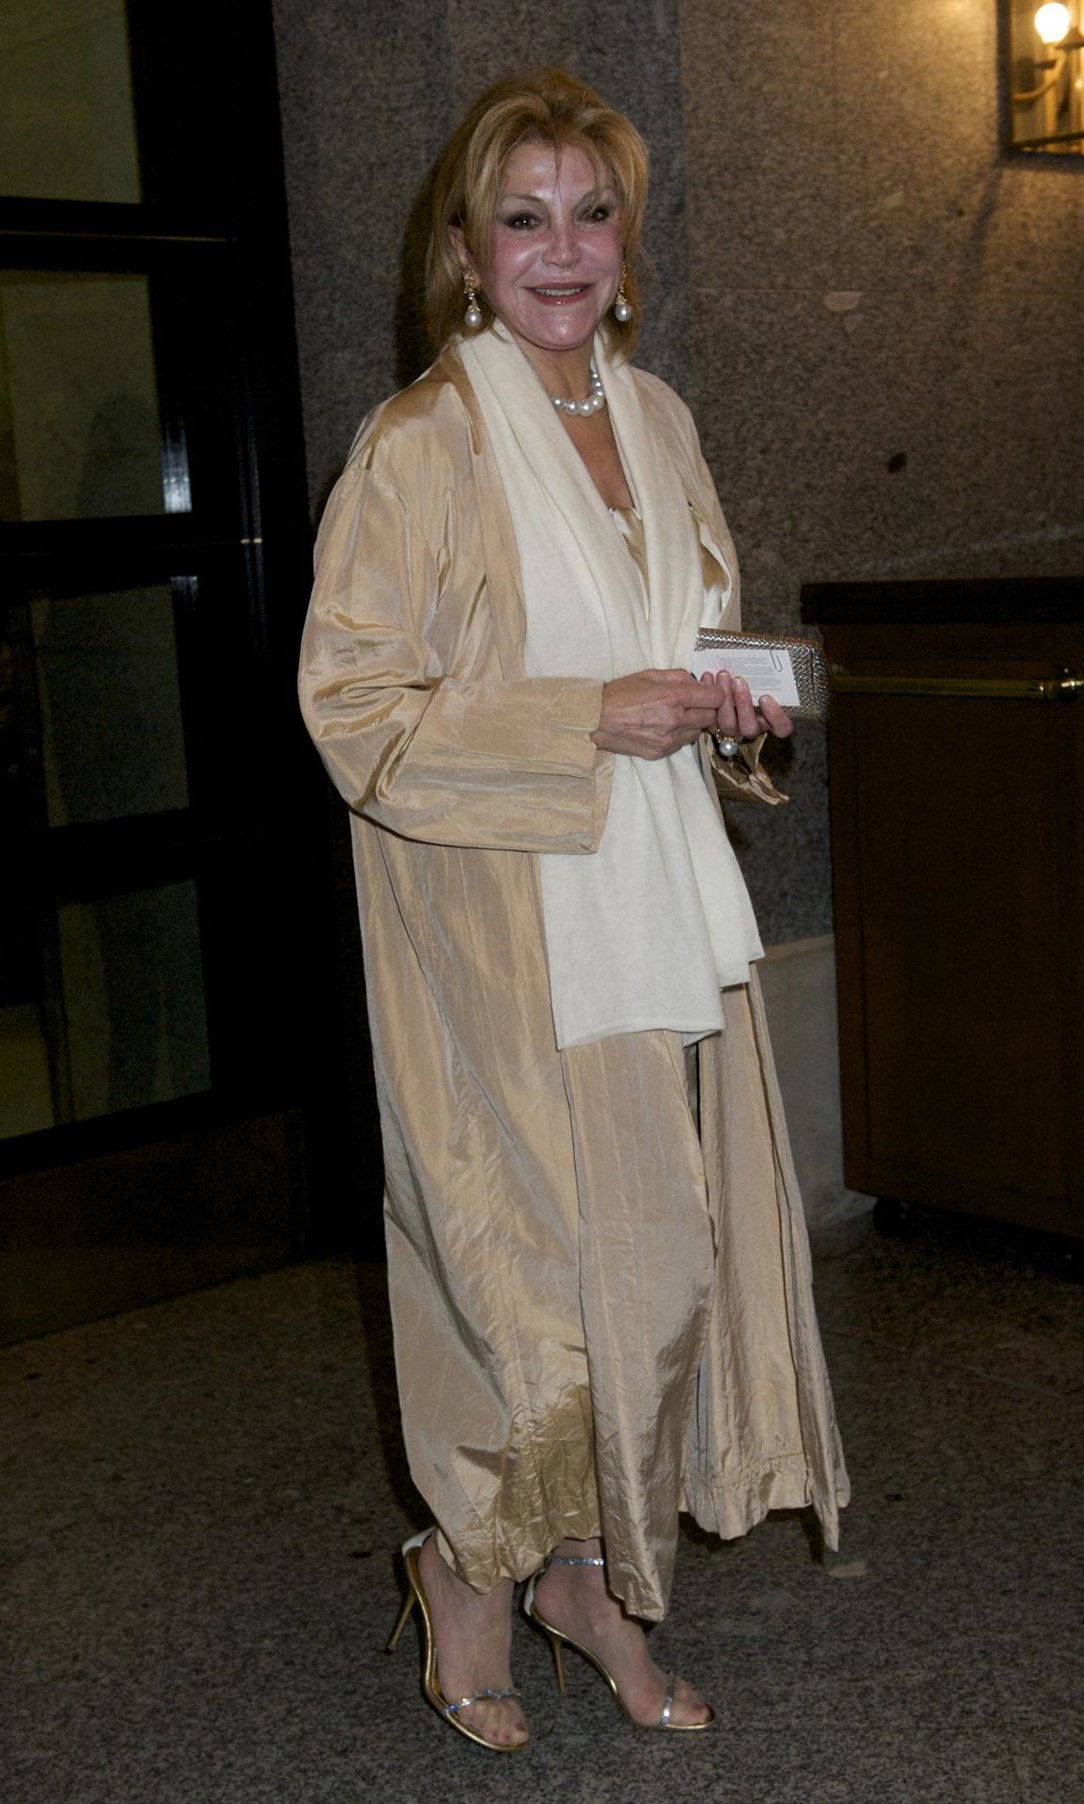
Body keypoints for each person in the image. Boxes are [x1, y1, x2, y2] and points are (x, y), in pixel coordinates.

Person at [298, 68, 848, 1754]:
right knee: (525, 1293)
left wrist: (736, 714)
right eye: (521, 216)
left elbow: (699, 634)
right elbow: (355, 710)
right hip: (503, 938)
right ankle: (475, 1569)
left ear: (628, 241)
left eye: (591, 213)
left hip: (663, 916)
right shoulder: (422, 445)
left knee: (663, 1286)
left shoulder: (657, 417)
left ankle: (587, 1577)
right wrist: (583, 719)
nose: (560, 247)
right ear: (465, 250)